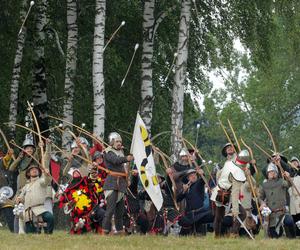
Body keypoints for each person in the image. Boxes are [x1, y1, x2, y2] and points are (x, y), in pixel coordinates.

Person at [211, 149, 250, 238]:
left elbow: (218, 174)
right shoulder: (237, 173)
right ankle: (220, 236)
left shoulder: (229, 163)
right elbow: (235, 194)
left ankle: (231, 233)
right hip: (223, 193)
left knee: (219, 216)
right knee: (220, 216)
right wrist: (235, 210)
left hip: (222, 189)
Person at [102, 132, 133, 235]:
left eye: (120, 141)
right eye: (117, 141)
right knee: (110, 210)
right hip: (112, 182)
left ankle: (119, 231)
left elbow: (123, 167)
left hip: (121, 183)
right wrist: (126, 158)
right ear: (112, 142)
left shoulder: (121, 152)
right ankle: (105, 232)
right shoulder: (108, 152)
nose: (119, 143)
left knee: (120, 212)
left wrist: (127, 178)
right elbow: (115, 161)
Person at [259, 162, 296, 238]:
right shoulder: (264, 185)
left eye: (274, 172)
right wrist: (262, 203)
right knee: (274, 235)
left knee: (289, 221)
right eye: (270, 172)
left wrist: (288, 177)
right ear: (267, 174)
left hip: (282, 212)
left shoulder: (281, 182)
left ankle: (292, 236)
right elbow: (260, 197)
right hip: (271, 214)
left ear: (277, 173)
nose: (272, 173)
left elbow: (289, 184)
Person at [16, 162, 54, 234]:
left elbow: (47, 180)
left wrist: (46, 174)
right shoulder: (26, 186)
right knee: (31, 234)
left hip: (40, 209)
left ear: (39, 172)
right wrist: (19, 199)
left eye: (36, 169)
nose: (34, 170)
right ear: (28, 174)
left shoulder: (41, 181)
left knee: (50, 217)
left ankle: (48, 235)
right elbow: (21, 198)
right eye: (32, 170)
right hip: (28, 213)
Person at [177, 168, 213, 236]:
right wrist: (183, 191)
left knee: (199, 234)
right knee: (183, 230)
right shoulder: (187, 187)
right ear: (187, 178)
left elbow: (203, 180)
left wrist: (202, 174)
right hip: (189, 214)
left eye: (195, 175)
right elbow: (178, 199)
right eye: (191, 175)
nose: (193, 176)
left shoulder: (199, 183)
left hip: (200, 213)